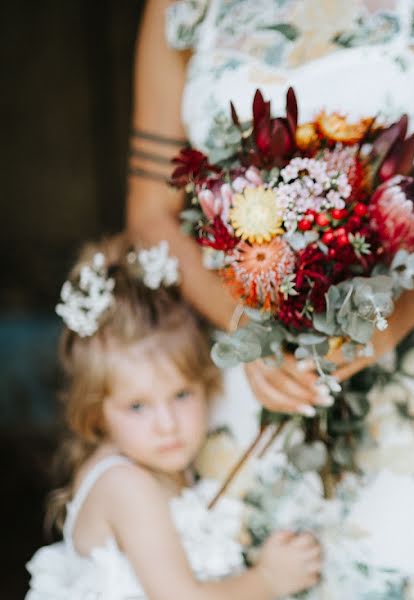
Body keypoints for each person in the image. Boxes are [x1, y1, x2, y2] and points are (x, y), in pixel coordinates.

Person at [126, 1, 414, 596]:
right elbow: (151, 216)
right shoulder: (182, 11)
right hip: (244, 385)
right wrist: (246, 329)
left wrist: (396, 313)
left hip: (413, 400)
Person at [25, 236, 321, 599]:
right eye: (137, 406)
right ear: (97, 413)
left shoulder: (157, 467)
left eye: (181, 395)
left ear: (206, 386)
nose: (166, 424)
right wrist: (268, 580)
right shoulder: (125, 484)